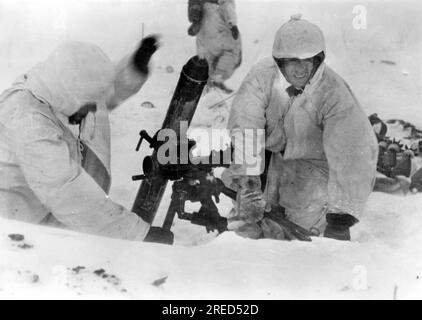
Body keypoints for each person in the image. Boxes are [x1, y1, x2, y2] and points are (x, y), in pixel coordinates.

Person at [0, 36, 173, 244]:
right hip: (21, 230)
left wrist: (134, 68)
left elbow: (102, 90)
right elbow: (66, 190)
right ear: (69, 94)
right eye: (87, 104)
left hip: (51, 208)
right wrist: (138, 234)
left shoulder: (56, 88)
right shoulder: (27, 119)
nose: (93, 110)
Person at [223, 15, 378, 241]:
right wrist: (249, 183)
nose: (300, 69)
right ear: (279, 61)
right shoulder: (262, 76)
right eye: (292, 61)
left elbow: (353, 151)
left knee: (298, 239)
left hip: (316, 165)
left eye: (308, 61)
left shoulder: (333, 93)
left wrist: (340, 219)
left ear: (319, 59)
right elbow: (246, 125)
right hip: (270, 157)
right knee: (245, 228)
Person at [187, 0, 242, 93]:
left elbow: (194, 5)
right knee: (231, 55)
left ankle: (208, 84)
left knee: (207, 60)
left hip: (204, 31)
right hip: (221, 31)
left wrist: (195, 22)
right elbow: (228, 9)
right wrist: (233, 25)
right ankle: (216, 80)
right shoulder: (224, 3)